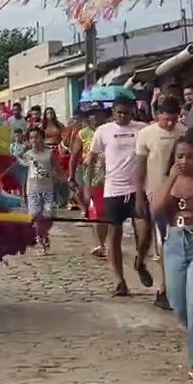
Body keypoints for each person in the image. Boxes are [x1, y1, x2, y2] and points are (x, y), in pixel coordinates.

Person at [154, 135, 193, 380]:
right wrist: (171, 178)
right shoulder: (168, 181)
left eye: (190, 156)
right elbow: (156, 209)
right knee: (178, 303)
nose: (184, 161)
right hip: (174, 241)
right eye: (180, 156)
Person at [87, 96, 148, 296]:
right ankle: (120, 280)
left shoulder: (142, 129)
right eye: (119, 113)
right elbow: (91, 159)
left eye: (126, 113)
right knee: (114, 236)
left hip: (137, 189)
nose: (123, 116)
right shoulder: (103, 131)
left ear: (132, 112)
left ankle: (140, 261)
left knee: (145, 231)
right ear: (113, 112)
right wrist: (88, 185)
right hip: (113, 189)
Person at [135, 97, 186, 310]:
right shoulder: (146, 134)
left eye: (173, 119)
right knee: (146, 238)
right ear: (157, 116)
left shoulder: (183, 132)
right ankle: (140, 261)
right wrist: (139, 195)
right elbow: (140, 167)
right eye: (166, 119)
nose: (170, 123)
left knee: (167, 241)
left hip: (176, 194)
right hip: (153, 193)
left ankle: (164, 289)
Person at [71, 106, 108, 258]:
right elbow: (74, 155)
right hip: (92, 177)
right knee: (96, 211)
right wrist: (71, 176)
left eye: (98, 114)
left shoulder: (109, 130)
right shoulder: (83, 133)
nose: (95, 117)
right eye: (92, 115)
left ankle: (109, 242)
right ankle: (101, 244)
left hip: (112, 176)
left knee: (109, 213)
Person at [23, 127, 62, 253]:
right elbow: (23, 173)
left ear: (42, 138)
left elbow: (58, 169)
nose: (34, 140)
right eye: (31, 138)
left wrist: (64, 181)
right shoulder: (27, 155)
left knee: (48, 215)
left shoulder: (49, 154)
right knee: (35, 215)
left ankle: (44, 233)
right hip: (32, 190)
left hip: (48, 190)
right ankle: (40, 238)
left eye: (37, 137)